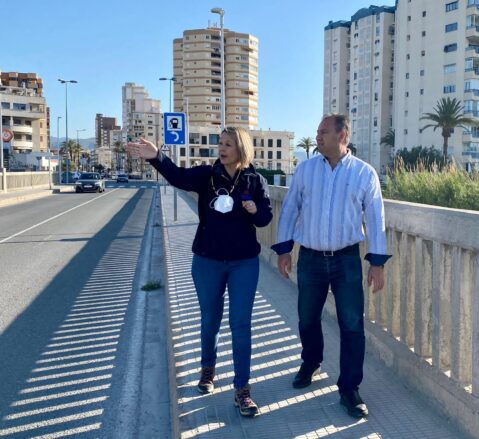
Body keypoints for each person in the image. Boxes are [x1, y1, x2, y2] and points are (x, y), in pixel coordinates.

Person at [128, 127, 272, 417]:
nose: (222, 148)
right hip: (207, 261)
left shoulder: (255, 180)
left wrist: (254, 210)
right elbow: (179, 177)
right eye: (221, 143)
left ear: (241, 149)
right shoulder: (207, 175)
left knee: (241, 324)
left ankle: (242, 390)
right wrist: (156, 157)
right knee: (210, 320)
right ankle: (208, 369)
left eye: (228, 144)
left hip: (244, 263)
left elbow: (265, 219)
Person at [271, 113, 390, 419]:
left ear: (342, 136)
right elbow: (290, 209)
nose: (318, 136)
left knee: (352, 325)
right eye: (317, 132)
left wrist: (377, 262)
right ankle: (311, 362)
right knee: (307, 318)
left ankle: (349, 389)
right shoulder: (306, 170)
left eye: (323, 132)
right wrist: (284, 249)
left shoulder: (364, 173)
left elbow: (376, 218)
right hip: (310, 258)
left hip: (346, 259)